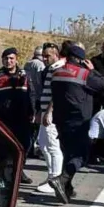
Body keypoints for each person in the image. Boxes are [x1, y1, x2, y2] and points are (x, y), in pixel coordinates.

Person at [48, 42, 104, 203]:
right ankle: (62, 179)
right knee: (81, 155)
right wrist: (92, 70)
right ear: (80, 59)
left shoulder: (56, 73)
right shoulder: (84, 74)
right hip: (79, 121)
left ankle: (66, 189)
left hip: (61, 120)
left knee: (68, 153)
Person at [0, 48, 35, 185]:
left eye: (11, 58)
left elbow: (33, 95)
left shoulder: (25, 75)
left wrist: (34, 112)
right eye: (6, 58)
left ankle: (18, 172)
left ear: (16, 59)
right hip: (3, 119)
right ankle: (0, 176)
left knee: (23, 147)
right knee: (1, 148)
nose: (8, 61)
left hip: (22, 118)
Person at [34, 42, 64, 195]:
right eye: (43, 56)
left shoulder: (59, 69)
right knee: (43, 143)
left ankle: (55, 180)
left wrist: (49, 112)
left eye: (48, 56)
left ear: (56, 55)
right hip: (45, 111)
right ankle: (51, 177)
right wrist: (41, 110)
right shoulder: (50, 69)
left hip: (52, 114)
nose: (45, 59)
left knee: (53, 146)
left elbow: (57, 93)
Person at [23, 45, 47, 158]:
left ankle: (29, 148)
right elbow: (41, 81)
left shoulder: (27, 64)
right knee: (36, 126)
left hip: (27, 96)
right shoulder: (40, 65)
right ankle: (31, 149)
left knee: (29, 126)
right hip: (38, 97)